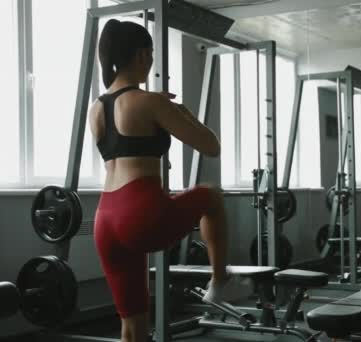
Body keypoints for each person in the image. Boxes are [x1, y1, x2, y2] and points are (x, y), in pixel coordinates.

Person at [90, 20, 250, 342]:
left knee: (133, 329)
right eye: (150, 54)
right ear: (142, 55)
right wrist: (181, 112)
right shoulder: (150, 102)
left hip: (105, 220)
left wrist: (158, 108)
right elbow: (211, 146)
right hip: (140, 213)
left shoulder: (97, 107)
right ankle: (220, 283)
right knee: (211, 196)